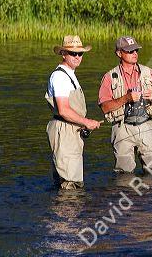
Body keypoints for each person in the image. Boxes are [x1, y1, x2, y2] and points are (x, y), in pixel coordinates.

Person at [98, 36, 152, 177]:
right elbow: (105, 107)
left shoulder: (148, 72)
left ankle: (149, 198)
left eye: (136, 50)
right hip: (122, 128)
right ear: (119, 53)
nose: (135, 53)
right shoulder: (109, 77)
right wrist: (126, 98)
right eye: (130, 51)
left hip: (146, 126)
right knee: (124, 176)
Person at [46, 35, 101, 190]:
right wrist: (87, 122)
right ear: (63, 54)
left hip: (71, 130)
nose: (77, 57)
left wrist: (84, 122)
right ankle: (68, 213)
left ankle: (65, 212)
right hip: (65, 131)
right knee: (70, 184)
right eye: (73, 53)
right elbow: (63, 110)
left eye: (80, 53)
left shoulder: (70, 74)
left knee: (67, 180)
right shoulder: (60, 77)